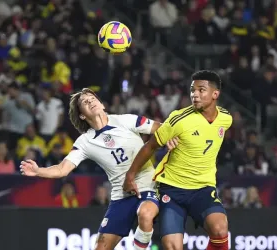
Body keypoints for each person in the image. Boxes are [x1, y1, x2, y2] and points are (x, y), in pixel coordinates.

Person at [20, 88, 178, 250]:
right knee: (101, 247)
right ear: (82, 115)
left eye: (92, 98)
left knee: (145, 214)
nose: (90, 102)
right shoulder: (85, 142)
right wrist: (39, 171)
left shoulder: (126, 120)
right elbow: (62, 169)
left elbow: (161, 128)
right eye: (85, 102)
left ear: (101, 104)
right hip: (121, 197)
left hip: (148, 187)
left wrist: (170, 137)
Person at [124, 70, 233, 250]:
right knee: (172, 246)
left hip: (202, 188)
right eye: (192, 90)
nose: (195, 95)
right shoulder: (179, 120)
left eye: (201, 90)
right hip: (172, 190)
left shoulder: (225, 119)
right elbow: (150, 146)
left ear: (215, 94)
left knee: (220, 231)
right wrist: (130, 175)